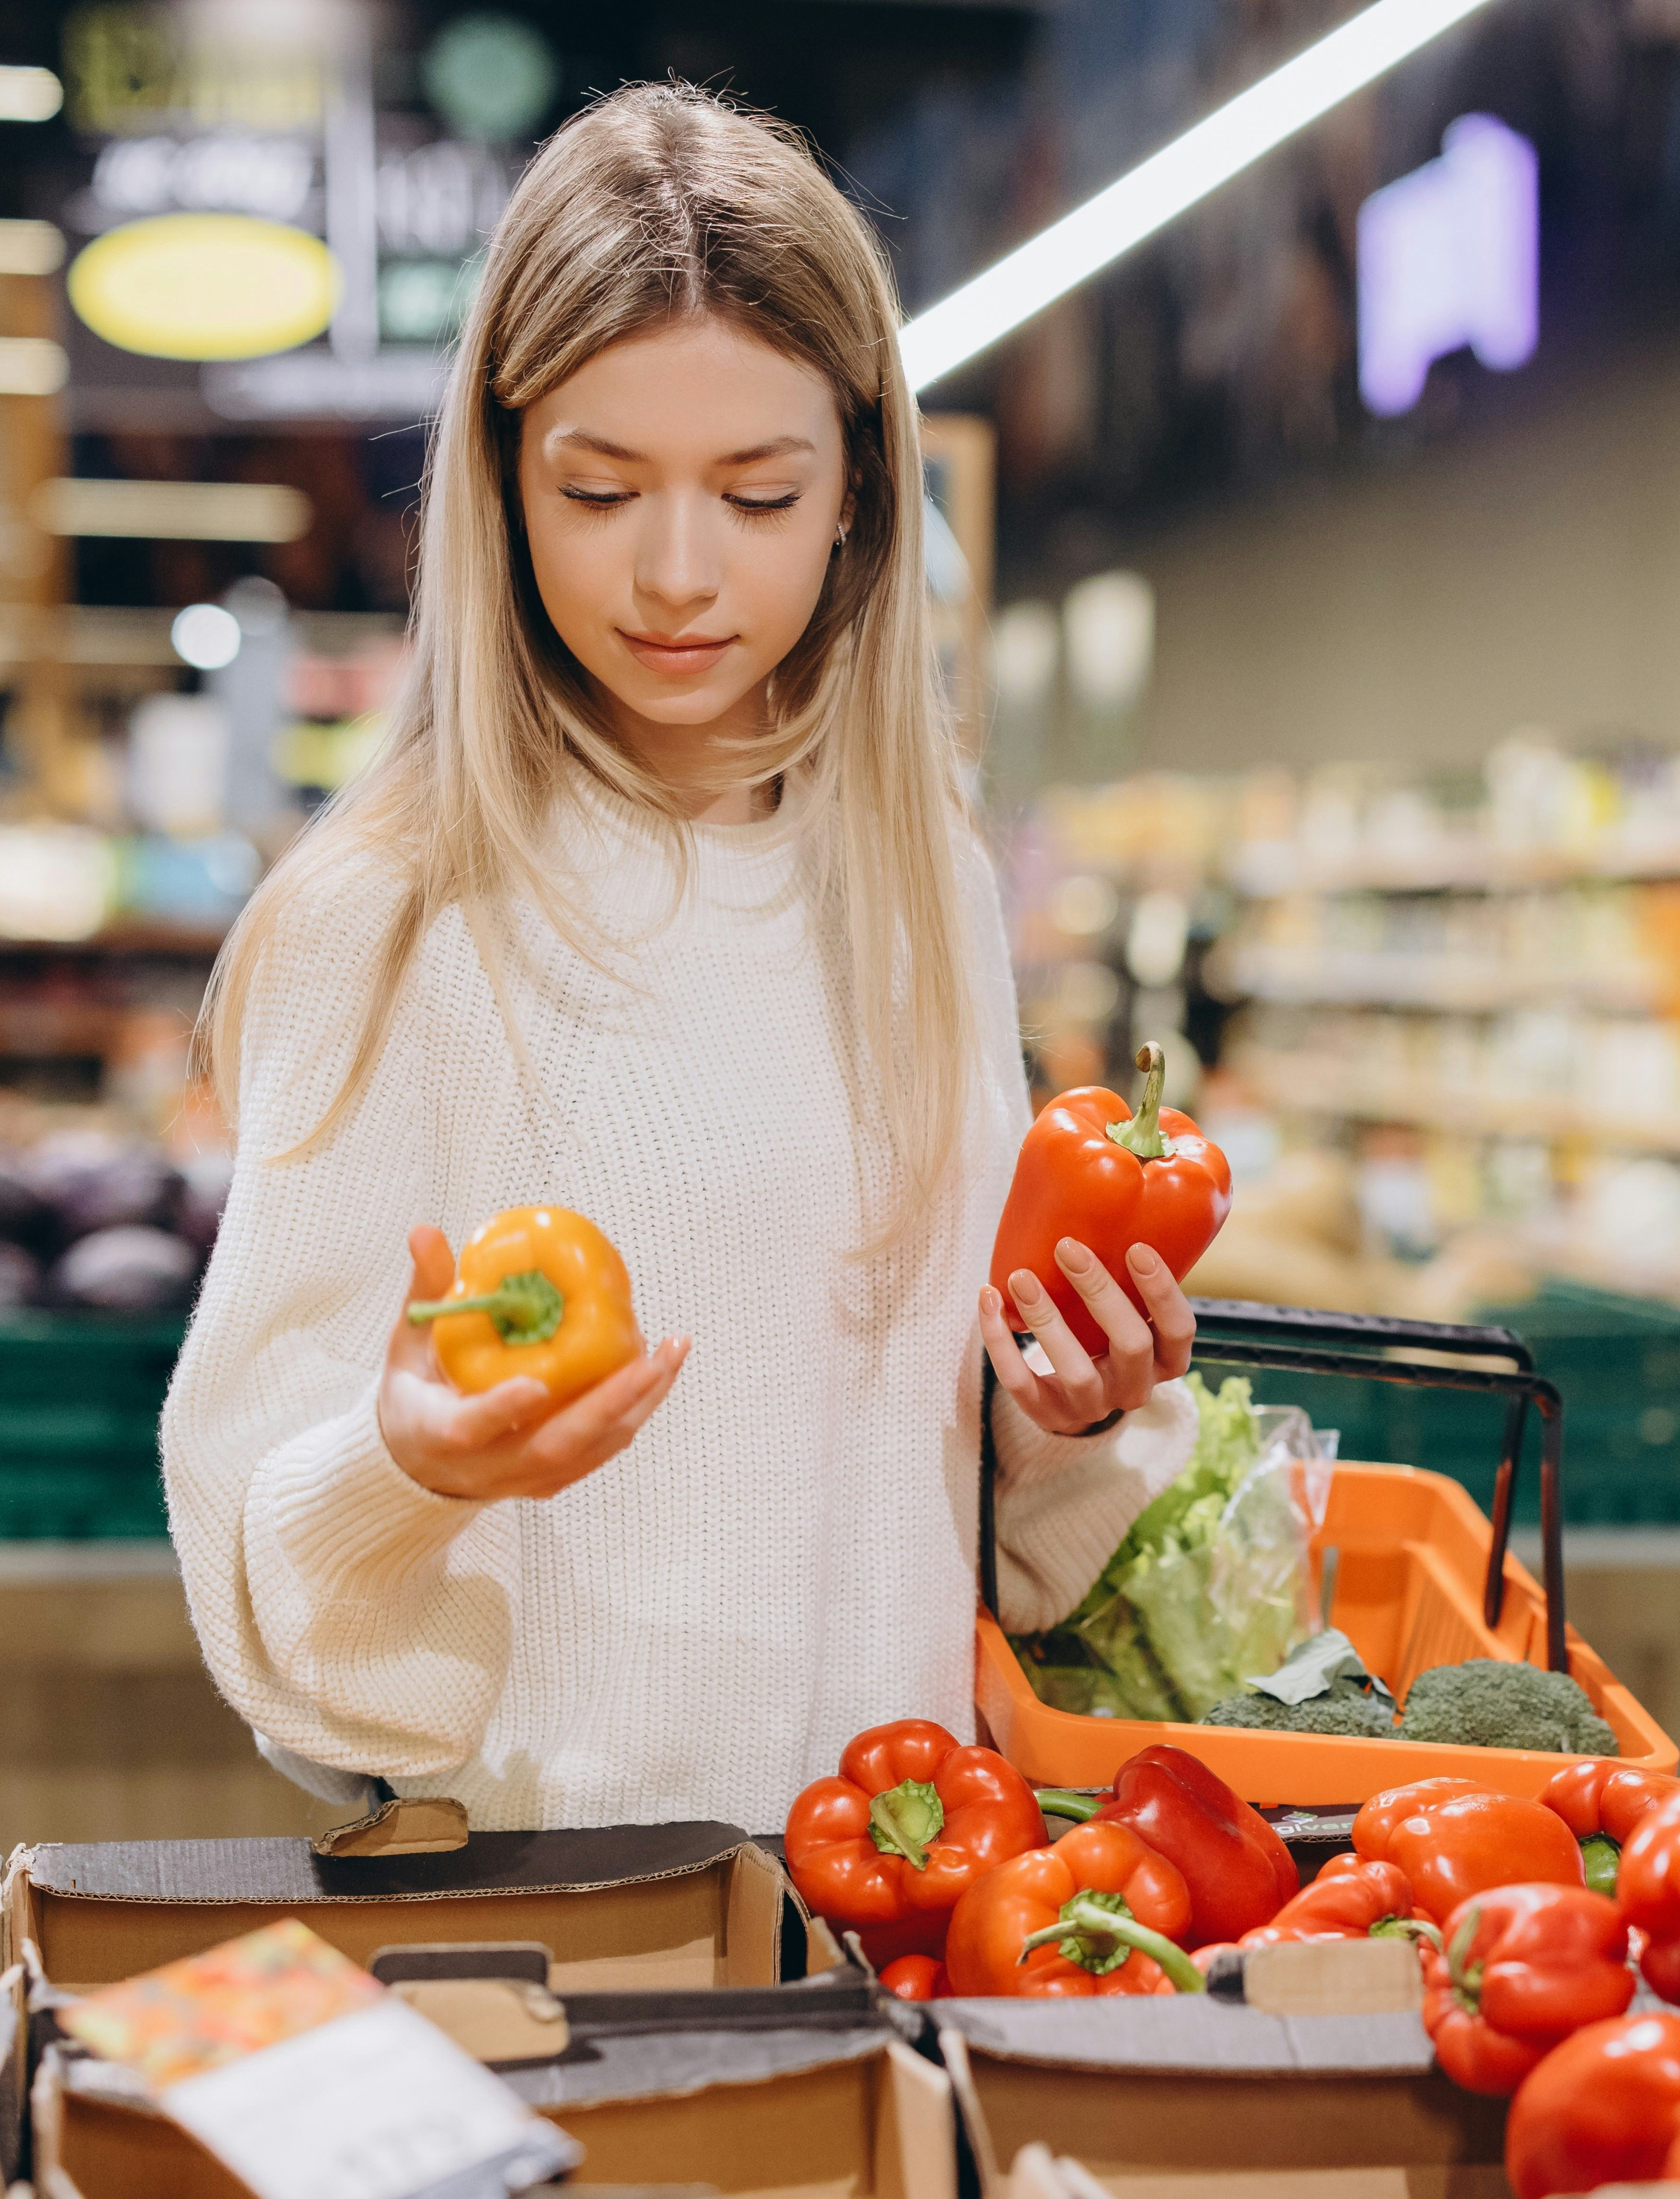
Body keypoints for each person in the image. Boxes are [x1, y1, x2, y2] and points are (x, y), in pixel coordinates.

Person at [165, 84, 1198, 1833]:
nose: (673, 573)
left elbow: (935, 1472)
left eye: (756, 491)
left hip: (896, 1893)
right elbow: (266, 1569)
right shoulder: (391, 913)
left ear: (859, 495)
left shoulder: (914, 882)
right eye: (597, 485)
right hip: (566, 1934)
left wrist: (1074, 1419)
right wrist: (401, 1468)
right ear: (499, 482)